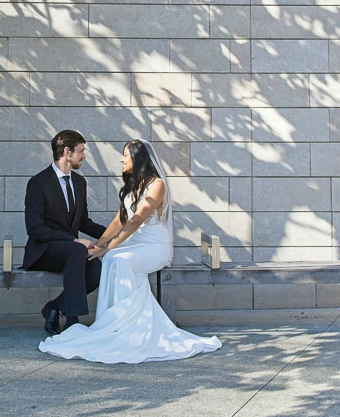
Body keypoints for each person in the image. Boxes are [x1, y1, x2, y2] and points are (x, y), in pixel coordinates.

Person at [39, 139, 221, 363]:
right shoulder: (133, 185)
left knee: (120, 259)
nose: (121, 159)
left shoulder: (157, 185)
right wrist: (100, 246)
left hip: (155, 245)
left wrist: (108, 248)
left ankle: (128, 325)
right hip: (137, 243)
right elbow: (119, 220)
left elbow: (135, 221)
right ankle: (112, 322)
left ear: (138, 158)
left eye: (125, 155)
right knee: (111, 258)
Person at [23, 129, 108, 335]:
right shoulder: (38, 183)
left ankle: (54, 307)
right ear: (67, 152)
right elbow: (35, 229)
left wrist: (116, 232)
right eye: (81, 151)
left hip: (71, 251)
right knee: (78, 250)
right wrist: (73, 240)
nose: (84, 156)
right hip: (44, 250)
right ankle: (72, 321)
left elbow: (84, 222)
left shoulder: (79, 182)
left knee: (96, 269)